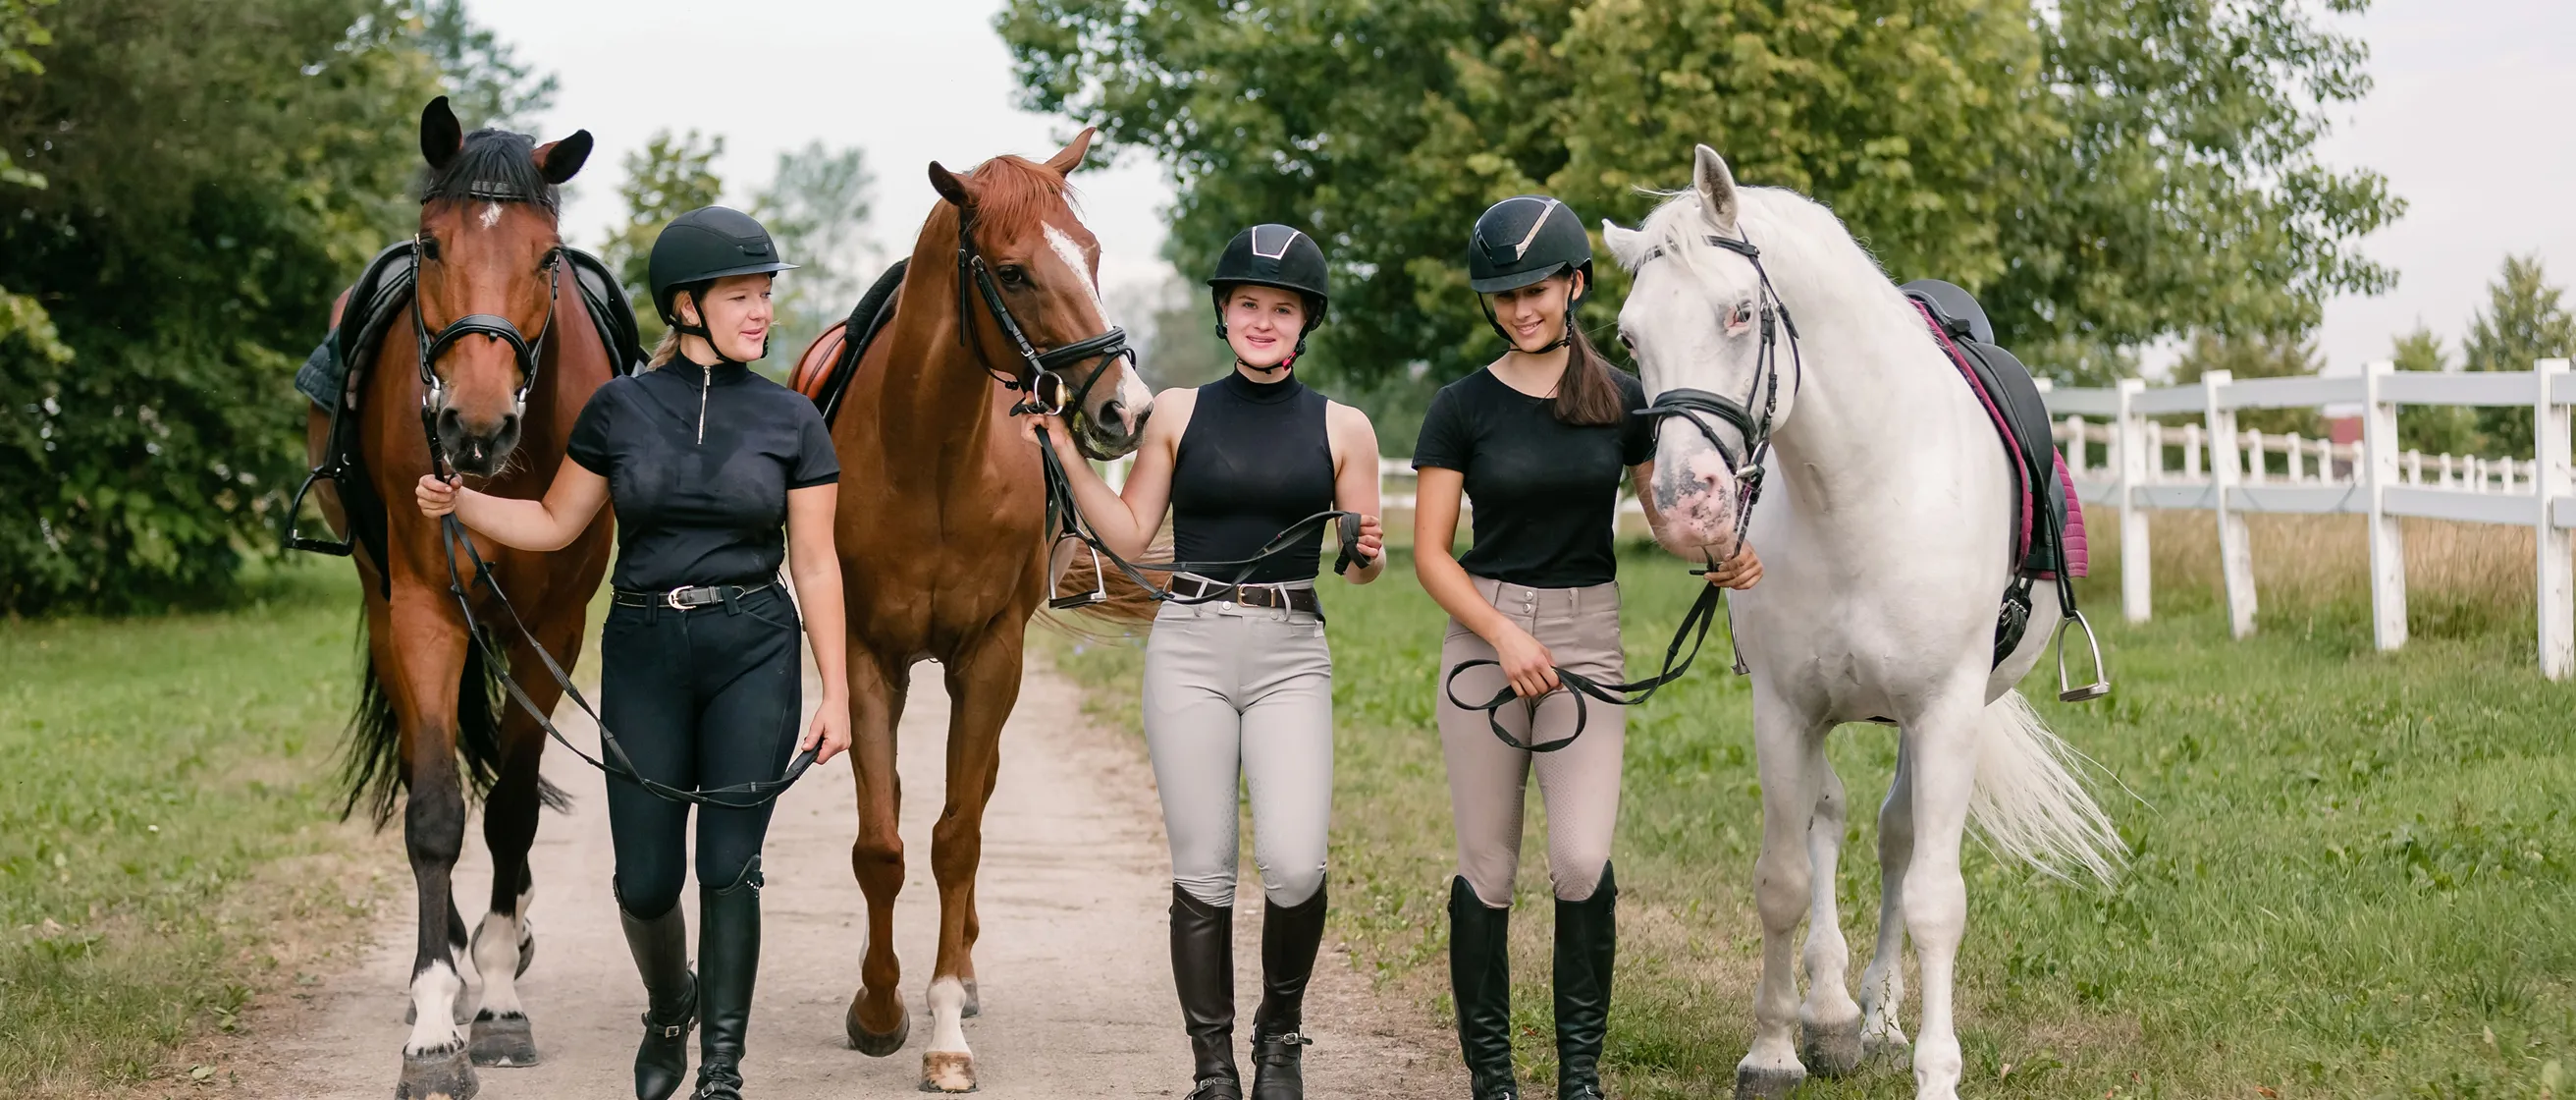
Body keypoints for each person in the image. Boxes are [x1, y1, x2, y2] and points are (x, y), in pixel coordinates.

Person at [415, 206, 850, 1100]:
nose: (761, 310)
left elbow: (815, 560)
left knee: (731, 867)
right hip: (647, 644)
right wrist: (456, 504)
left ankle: (721, 1071)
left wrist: (836, 689)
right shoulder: (618, 408)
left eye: (766, 293)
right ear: (685, 305)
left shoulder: (794, 421)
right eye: (741, 295)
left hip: (752, 648)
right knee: (646, 880)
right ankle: (668, 1007)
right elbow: (552, 521)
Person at [1412, 195, 1762, 1100]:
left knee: (1579, 862)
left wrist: (1723, 547)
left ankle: (1579, 1079)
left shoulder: (1623, 400)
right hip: (1485, 635)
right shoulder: (1461, 408)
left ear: (1574, 284)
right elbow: (1430, 554)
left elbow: (1667, 515)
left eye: (1537, 289)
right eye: (1505, 296)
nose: (1523, 309)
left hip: (1588, 640)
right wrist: (1500, 633)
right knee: (1488, 867)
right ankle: (1493, 1080)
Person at [1025, 224, 1385, 1100]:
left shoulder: (1347, 427)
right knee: (1205, 869)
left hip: (1292, 650)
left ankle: (1282, 1034)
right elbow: (1128, 534)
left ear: (1307, 323)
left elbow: (1364, 560)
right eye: (1249, 305)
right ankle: (1215, 1064)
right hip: (1187, 643)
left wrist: (1365, 549)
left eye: (1284, 309)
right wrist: (1065, 449)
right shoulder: (1179, 411)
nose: (1265, 321)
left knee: (1297, 864)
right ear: (1225, 314)